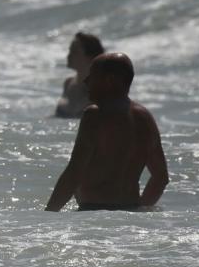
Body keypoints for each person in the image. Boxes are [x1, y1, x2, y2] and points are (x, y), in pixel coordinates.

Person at [44, 53, 169, 212]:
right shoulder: (145, 118)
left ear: (109, 80)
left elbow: (74, 172)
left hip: (94, 214)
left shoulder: (95, 115)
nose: (86, 81)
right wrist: (140, 209)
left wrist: (48, 215)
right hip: (130, 213)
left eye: (92, 76)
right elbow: (161, 178)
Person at [55, 32, 104, 118]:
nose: (69, 55)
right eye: (70, 50)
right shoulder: (68, 83)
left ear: (90, 57)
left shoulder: (100, 89)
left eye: (74, 51)